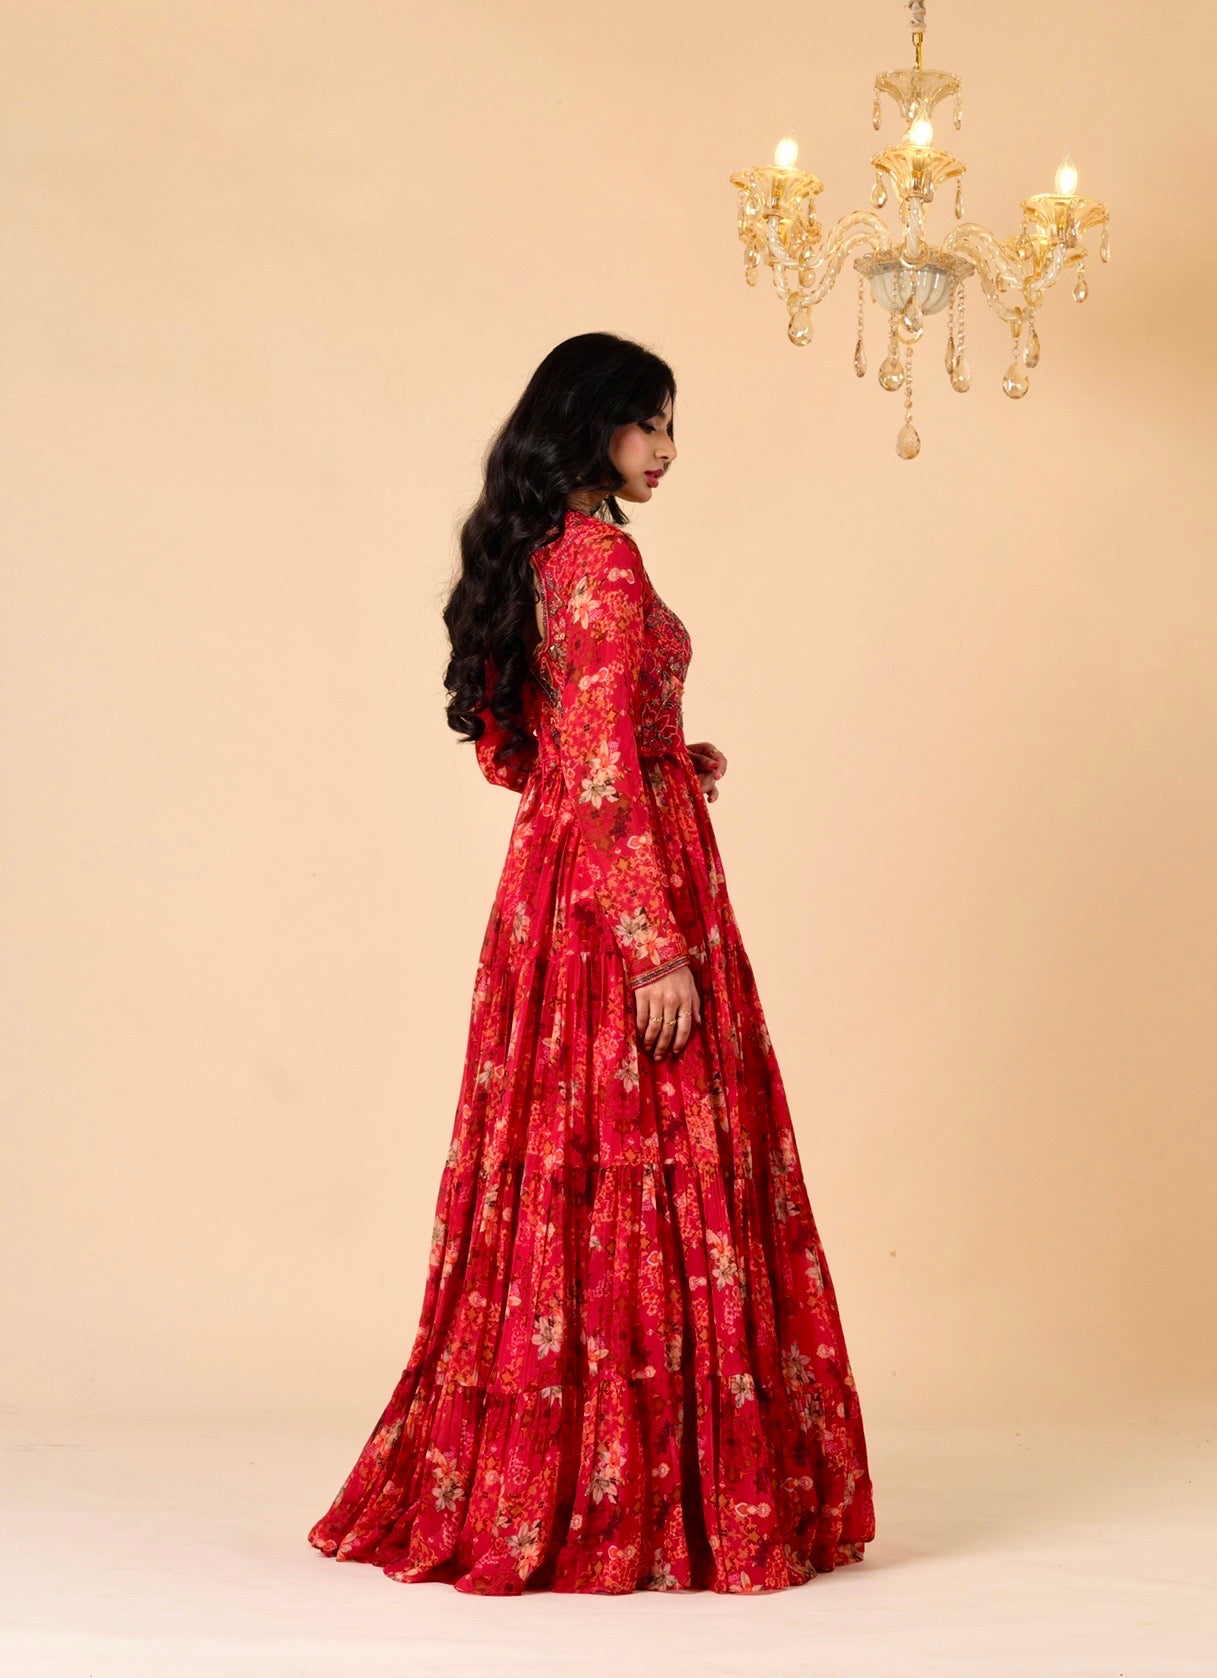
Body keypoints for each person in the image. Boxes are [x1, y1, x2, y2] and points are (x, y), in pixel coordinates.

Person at [306, 331, 876, 1594]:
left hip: (549, 894)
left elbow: (523, 753)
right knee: (660, 1158)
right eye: (649, 426)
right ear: (591, 424)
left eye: (672, 430)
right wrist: (655, 942)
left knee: (564, 1171)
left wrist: (671, 756)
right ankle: (652, 1499)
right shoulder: (607, 560)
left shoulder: (537, 553)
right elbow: (603, 759)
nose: (666, 453)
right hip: (628, 897)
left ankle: (563, 1471)